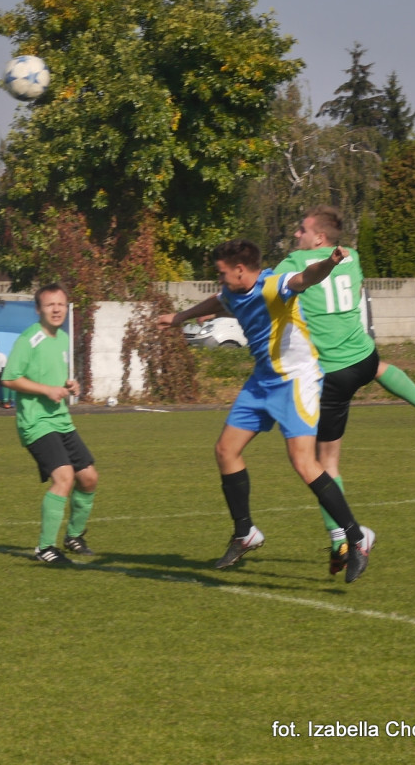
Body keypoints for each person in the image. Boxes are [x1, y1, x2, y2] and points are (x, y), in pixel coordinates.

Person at [158, 239, 374, 583]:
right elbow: (219, 300)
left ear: (241, 270)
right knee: (225, 450)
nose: (220, 278)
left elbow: (306, 277)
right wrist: (180, 317)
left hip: (295, 381)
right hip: (262, 380)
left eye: (222, 272)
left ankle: (357, 538)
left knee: (304, 463)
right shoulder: (232, 292)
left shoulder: (276, 283)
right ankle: (245, 532)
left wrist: (331, 263)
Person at [274, 205, 415, 573]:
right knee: (380, 368)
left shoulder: (293, 262)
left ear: (319, 238)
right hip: (363, 358)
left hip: (333, 374)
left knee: (322, 463)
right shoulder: (351, 257)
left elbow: (266, 289)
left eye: (302, 230)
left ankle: (342, 540)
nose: (296, 235)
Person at [2, 283, 99, 564]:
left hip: (61, 420)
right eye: (49, 305)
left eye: (60, 304)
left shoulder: (62, 338)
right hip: (36, 422)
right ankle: (45, 548)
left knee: (89, 478)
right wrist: (46, 390)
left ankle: (74, 536)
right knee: (64, 477)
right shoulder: (28, 339)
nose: (56, 309)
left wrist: (70, 384)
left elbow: (58, 377)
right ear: (38, 309)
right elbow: (9, 378)